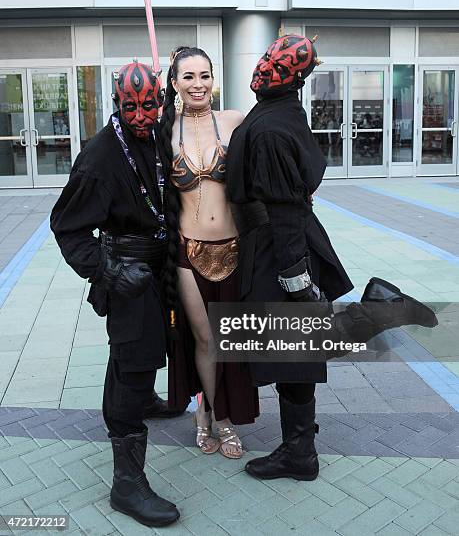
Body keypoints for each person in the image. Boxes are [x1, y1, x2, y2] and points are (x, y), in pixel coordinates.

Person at [226, 34, 437, 481]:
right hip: (277, 242)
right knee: (294, 352)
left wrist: (295, 277)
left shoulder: (270, 126)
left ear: (295, 78)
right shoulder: (277, 113)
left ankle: (383, 311)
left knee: (297, 347)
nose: (265, 69)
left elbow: (283, 206)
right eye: (267, 59)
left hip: (279, 246)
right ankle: (299, 452)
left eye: (278, 66)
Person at [50, 62, 179, 527]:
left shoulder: (162, 136)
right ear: (116, 105)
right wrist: (108, 272)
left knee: (137, 355)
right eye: (132, 108)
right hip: (127, 271)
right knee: (135, 359)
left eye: (151, 105)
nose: (143, 115)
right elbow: (67, 228)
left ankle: (141, 401)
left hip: (163, 266)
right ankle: (127, 484)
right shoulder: (101, 156)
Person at [159, 46, 259, 459]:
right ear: (175, 83)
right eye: (188, 77)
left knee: (231, 341)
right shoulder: (164, 130)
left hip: (234, 247)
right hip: (187, 252)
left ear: (213, 80)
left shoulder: (234, 121)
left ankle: (216, 414)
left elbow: (273, 142)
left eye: (204, 76)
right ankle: (215, 416)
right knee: (203, 338)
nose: (197, 84)